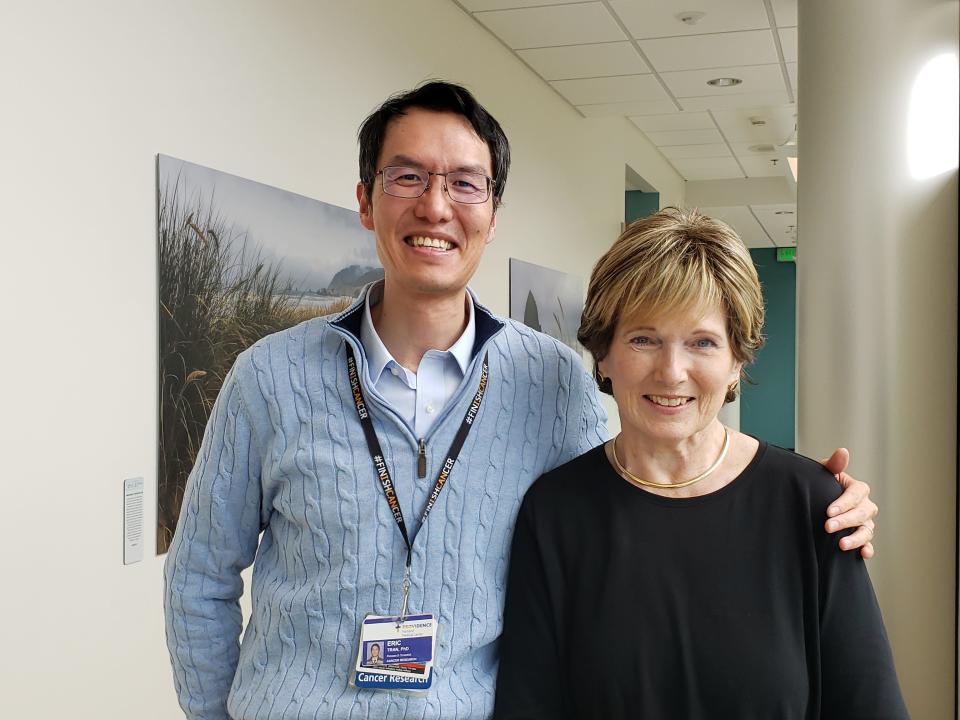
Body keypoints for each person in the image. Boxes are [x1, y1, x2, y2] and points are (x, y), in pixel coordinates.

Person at [163, 82, 878, 720]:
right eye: (407, 176)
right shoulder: (269, 376)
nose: (435, 206)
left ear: (494, 212)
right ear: (365, 199)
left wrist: (811, 503)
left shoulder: (554, 382)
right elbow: (199, 575)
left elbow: (625, 518)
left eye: (465, 184)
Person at [494, 208, 907, 719]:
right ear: (603, 354)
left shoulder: (813, 505)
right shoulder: (556, 512)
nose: (671, 372)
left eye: (702, 343)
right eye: (643, 339)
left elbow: (869, 706)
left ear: (737, 359)